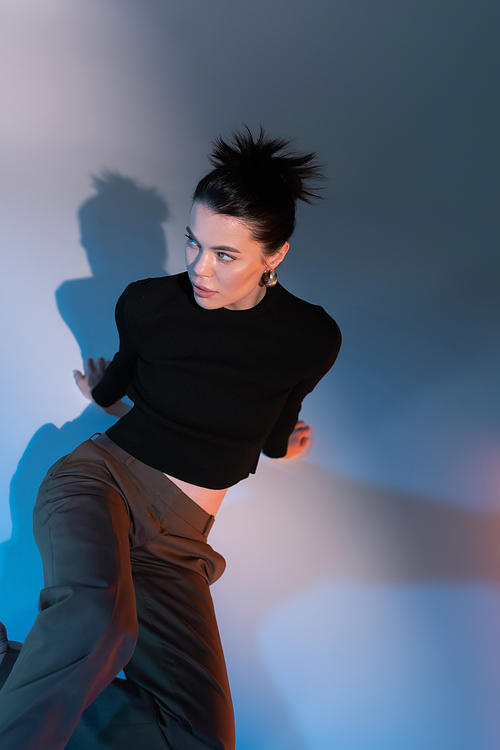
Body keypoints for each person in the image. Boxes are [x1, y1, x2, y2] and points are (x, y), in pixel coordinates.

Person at [0, 127, 341, 749]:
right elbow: (117, 385)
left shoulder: (310, 338)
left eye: (225, 255)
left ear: (276, 255)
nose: (199, 269)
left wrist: (282, 444)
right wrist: (101, 393)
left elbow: (270, 423)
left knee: (199, 738)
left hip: (178, 544)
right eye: (193, 242)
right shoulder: (148, 305)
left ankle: (8, 672)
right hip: (100, 483)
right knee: (97, 624)